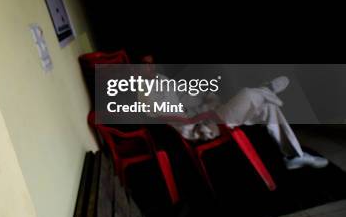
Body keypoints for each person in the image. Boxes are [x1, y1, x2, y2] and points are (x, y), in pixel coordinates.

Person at [139, 60, 328, 170]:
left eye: (152, 63)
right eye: (146, 66)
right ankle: (266, 88)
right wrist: (192, 119)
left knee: (268, 108)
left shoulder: (162, 80)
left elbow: (185, 97)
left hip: (209, 115)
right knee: (248, 93)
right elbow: (162, 116)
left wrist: (204, 97)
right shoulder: (145, 91)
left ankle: (295, 156)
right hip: (201, 128)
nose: (152, 68)